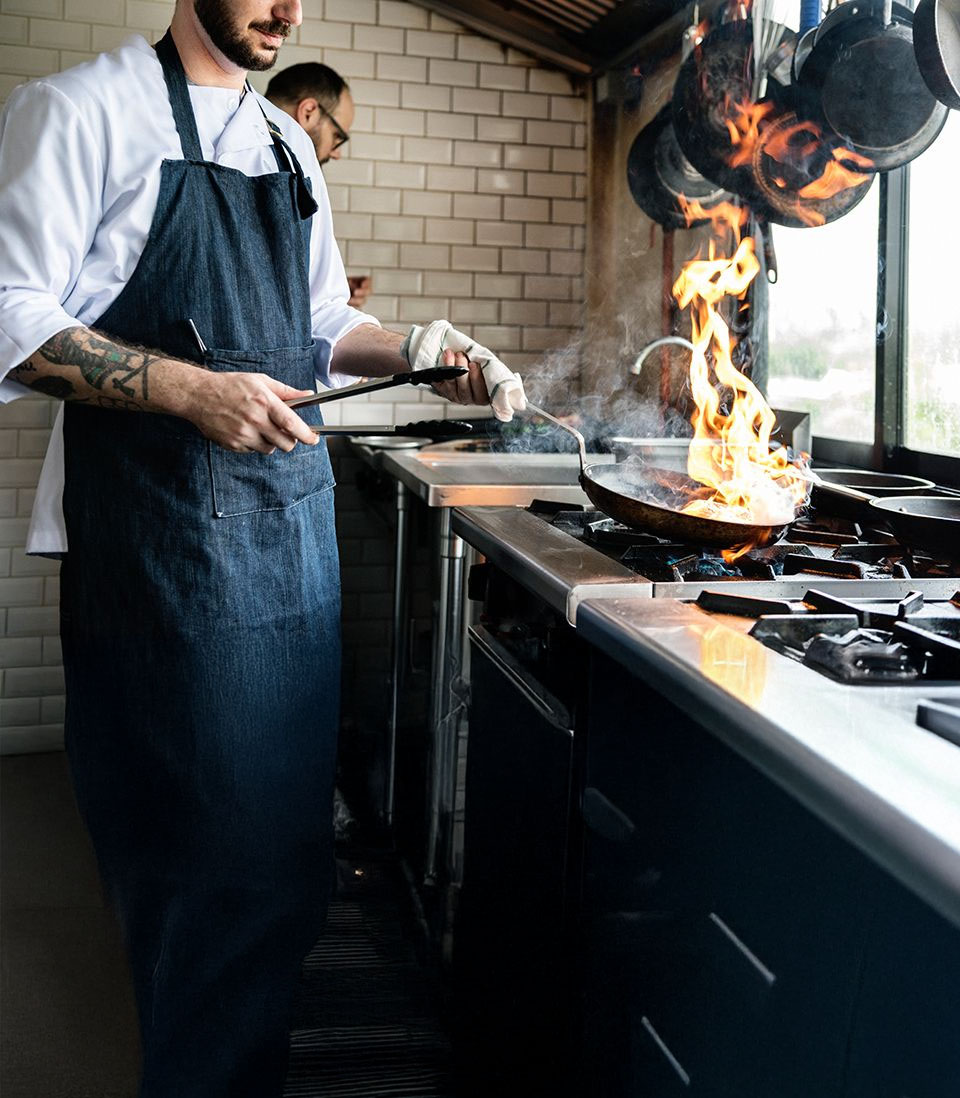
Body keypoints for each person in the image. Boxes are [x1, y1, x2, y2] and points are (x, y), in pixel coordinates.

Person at [0, 2, 525, 1096]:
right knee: (199, 876)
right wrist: (190, 390)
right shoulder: (80, 109)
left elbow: (324, 319)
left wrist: (426, 347)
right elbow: (10, 311)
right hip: (161, 551)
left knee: (283, 871)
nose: (283, 7)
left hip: (287, 543)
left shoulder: (286, 142)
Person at [265, 61, 370, 308]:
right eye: (337, 137)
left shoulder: (297, 177)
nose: (336, 154)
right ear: (309, 112)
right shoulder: (272, 174)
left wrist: (326, 292)